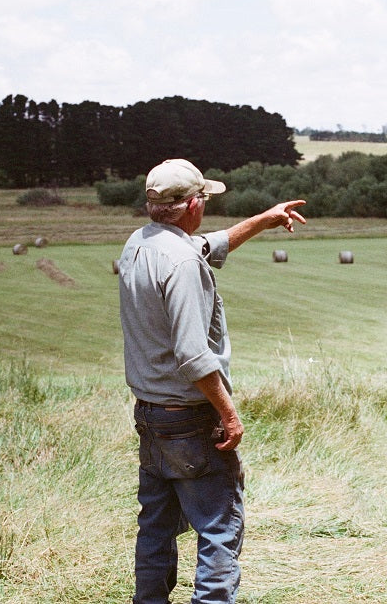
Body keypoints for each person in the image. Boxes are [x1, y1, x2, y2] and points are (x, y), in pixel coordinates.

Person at [118, 158, 306, 604]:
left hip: (150, 414)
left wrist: (264, 220)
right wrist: (228, 412)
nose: (205, 205)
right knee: (219, 530)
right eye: (203, 197)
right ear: (191, 205)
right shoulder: (182, 262)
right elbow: (193, 354)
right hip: (189, 418)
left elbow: (208, 245)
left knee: (156, 528)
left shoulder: (140, 243)